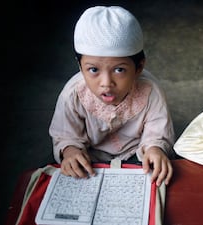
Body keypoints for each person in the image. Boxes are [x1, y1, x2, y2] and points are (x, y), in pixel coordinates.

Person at [49, 6, 175, 186]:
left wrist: (155, 149)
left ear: (138, 67)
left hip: (138, 156)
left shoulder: (150, 91)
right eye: (93, 70)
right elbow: (65, 134)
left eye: (119, 70)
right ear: (80, 66)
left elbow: (157, 133)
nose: (106, 83)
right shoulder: (73, 94)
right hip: (89, 160)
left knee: (165, 178)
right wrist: (70, 151)